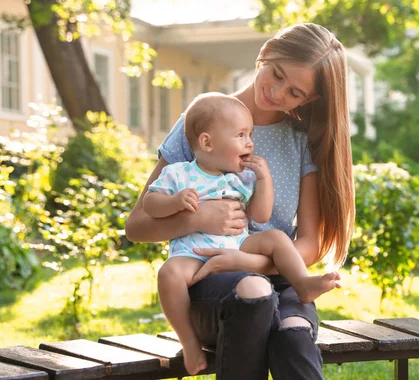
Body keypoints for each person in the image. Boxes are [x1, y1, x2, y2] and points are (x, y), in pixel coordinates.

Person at [126, 23, 354, 380]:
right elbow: (136, 226)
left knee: (293, 333)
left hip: (279, 275)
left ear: (310, 100)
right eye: (276, 74)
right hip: (211, 282)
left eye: (294, 92)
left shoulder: (300, 140)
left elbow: (309, 243)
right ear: (266, 52)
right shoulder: (203, 122)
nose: (277, 93)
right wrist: (195, 220)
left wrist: (248, 260)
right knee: (254, 293)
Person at [143, 92, 341, 375]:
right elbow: (149, 205)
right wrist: (178, 205)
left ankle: (303, 283)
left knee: (275, 238)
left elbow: (260, 216)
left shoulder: (240, 178)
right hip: (194, 252)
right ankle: (188, 342)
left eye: (250, 134)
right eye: (241, 135)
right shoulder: (179, 174)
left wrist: (264, 179)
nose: (250, 142)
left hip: (238, 244)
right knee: (169, 274)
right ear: (207, 142)